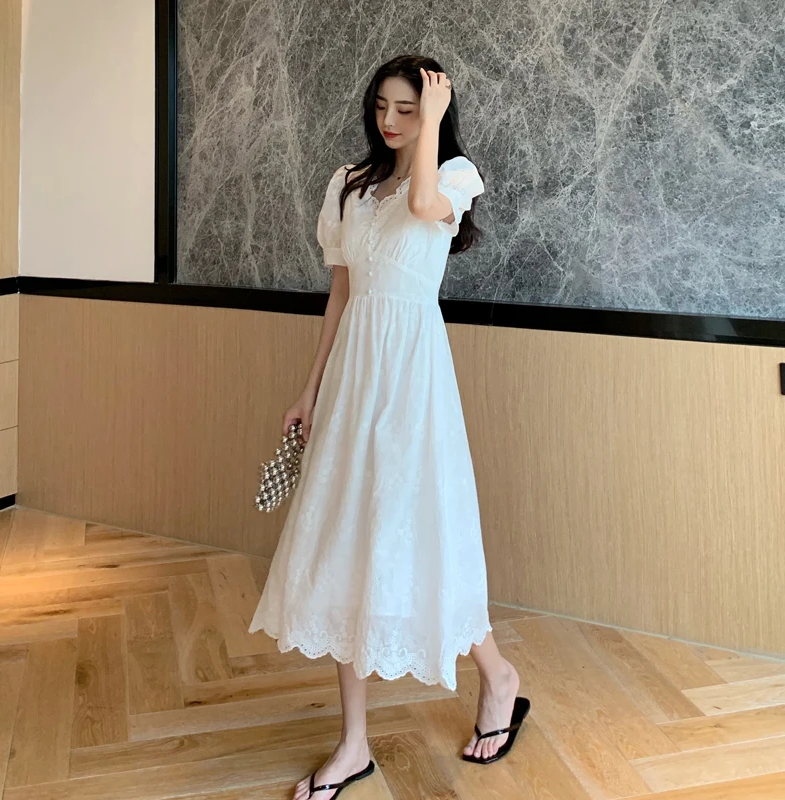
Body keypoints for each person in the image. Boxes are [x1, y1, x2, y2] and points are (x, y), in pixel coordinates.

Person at [249, 54, 529, 800]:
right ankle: (353, 746)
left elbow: (425, 203)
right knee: (347, 542)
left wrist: (431, 127)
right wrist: (309, 389)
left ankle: (498, 676)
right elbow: (341, 294)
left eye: (407, 108)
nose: (390, 120)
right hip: (353, 378)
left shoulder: (454, 176)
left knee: (423, 533)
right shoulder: (348, 183)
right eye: (382, 106)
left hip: (413, 379)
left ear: (432, 113)